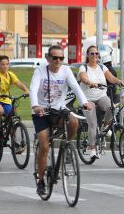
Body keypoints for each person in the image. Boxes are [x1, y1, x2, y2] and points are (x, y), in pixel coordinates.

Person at [30, 45, 93, 195]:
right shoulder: (40, 71)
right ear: (48, 58)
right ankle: (41, 181)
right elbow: (33, 88)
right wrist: (35, 105)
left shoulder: (66, 70)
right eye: (55, 58)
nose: (58, 61)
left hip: (59, 108)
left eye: (61, 58)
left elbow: (76, 87)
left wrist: (84, 102)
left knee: (74, 122)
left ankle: (66, 146)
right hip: (42, 111)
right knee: (45, 146)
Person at [78, 45, 124, 160]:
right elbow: (83, 78)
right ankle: (92, 148)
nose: (95, 55)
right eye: (92, 53)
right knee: (93, 124)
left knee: (111, 107)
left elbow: (111, 78)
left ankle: (105, 126)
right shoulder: (83, 67)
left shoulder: (102, 67)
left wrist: (120, 82)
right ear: (87, 55)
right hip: (87, 98)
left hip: (101, 96)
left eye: (96, 53)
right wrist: (90, 83)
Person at [0, 55, 29, 141]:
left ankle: (14, 143)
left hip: (6, 99)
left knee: (11, 120)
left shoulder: (10, 74)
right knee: (0, 111)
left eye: (7, 64)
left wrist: (26, 90)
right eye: (2, 64)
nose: (5, 66)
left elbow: (18, 83)